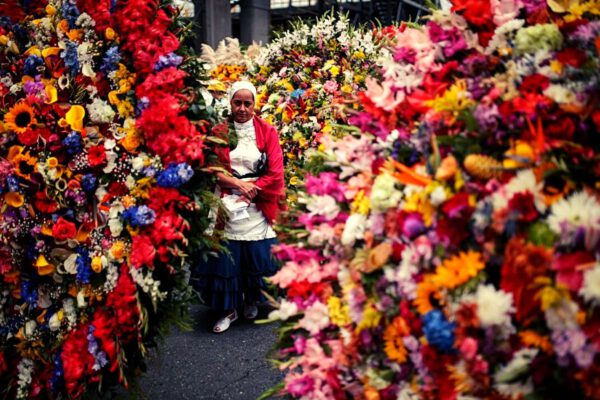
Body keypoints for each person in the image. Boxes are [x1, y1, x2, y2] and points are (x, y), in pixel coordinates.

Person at [195, 80, 285, 333]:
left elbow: (276, 172)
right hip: (226, 200)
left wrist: (250, 192)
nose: (243, 108)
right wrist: (236, 184)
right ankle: (229, 310)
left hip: (257, 203)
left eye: (248, 103)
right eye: (238, 102)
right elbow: (211, 168)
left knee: (255, 256)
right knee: (227, 257)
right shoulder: (219, 131)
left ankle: (252, 300)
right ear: (230, 103)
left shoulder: (268, 131)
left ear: (255, 104)